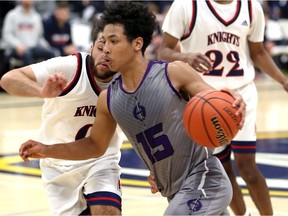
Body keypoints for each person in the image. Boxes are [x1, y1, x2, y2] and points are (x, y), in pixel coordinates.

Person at [17, 2, 246, 215]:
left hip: (205, 177)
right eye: (103, 41)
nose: (105, 48)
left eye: (113, 41)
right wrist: (46, 149)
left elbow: (215, 99)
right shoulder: (109, 99)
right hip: (174, 190)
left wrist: (234, 101)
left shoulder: (173, 74)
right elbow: (94, 146)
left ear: (137, 44)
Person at [157, 0, 288, 215]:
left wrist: (282, 80)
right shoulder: (186, 6)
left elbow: (259, 53)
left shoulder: (251, 7)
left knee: (248, 168)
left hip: (241, 96)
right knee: (223, 170)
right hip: (204, 98)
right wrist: (185, 56)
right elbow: (164, 52)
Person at [0, 22, 123, 215]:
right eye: (100, 48)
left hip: (100, 161)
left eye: (111, 50)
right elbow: (9, 79)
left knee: (107, 211)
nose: (105, 55)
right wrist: (41, 92)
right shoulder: (70, 67)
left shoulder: (126, 81)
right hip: (58, 164)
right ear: (91, 48)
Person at [1, 0, 56, 67]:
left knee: (51, 53)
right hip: (14, 49)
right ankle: (30, 76)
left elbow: (39, 37)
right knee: (27, 54)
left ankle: (49, 76)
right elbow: (7, 35)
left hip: (32, 48)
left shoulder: (36, 16)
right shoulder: (12, 15)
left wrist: (47, 46)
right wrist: (17, 44)